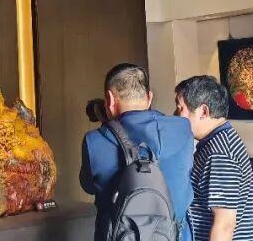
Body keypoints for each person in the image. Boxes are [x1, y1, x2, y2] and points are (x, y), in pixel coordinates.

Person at [81, 63, 194, 241]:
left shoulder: (94, 141)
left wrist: (108, 126)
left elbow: (88, 185)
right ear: (149, 97)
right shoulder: (183, 130)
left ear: (109, 99)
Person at [175, 75, 253, 241]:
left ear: (204, 111)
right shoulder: (218, 142)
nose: (175, 115)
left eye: (180, 108)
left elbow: (224, 225)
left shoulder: (219, 153)